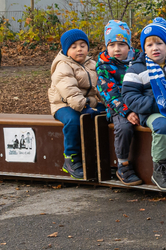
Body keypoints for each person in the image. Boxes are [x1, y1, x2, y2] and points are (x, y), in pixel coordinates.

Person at [122, 18, 166, 192]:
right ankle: (160, 169)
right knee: (163, 125)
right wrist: (157, 104)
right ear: (144, 48)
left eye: (159, 43)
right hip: (152, 112)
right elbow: (129, 96)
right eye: (150, 45)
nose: (155, 48)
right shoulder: (137, 69)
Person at [49, 29, 105, 179]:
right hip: (64, 105)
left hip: (86, 103)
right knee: (74, 121)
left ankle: (101, 157)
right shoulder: (63, 65)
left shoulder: (92, 64)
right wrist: (84, 107)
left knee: (106, 114)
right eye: (73, 47)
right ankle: (71, 158)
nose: (79, 49)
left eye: (82, 45)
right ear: (66, 50)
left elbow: (101, 87)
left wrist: (110, 104)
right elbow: (69, 90)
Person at [96, 20, 142, 186]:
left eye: (122, 44)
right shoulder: (104, 66)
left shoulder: (139, 60)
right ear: (106, 46)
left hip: (140, 102)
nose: (117, 49)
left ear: (129, 45)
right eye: (112, 45)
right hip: (118, 107)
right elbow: (109, 93)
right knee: (124, 127)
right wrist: (127, 112)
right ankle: (123, 165)